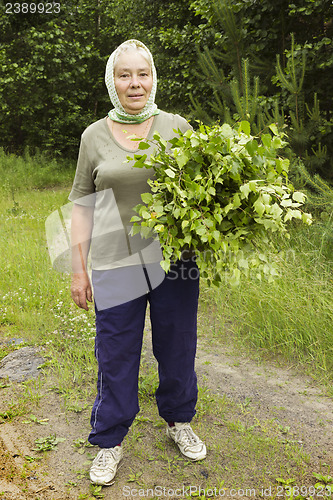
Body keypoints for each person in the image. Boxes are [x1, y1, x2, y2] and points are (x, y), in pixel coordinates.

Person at [69, 39, 206, 486]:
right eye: (124, 75)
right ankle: (109, 440)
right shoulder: (94, 136)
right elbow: (81, 206)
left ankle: (179, 420)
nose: (135, 84)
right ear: (113, 81)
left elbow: (204, 189)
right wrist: (77, 269)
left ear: (153, 78)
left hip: (176, 263)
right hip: (116, 262)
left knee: (178, 345)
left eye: (142, 74)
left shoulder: (177, 126)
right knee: (116, 354)